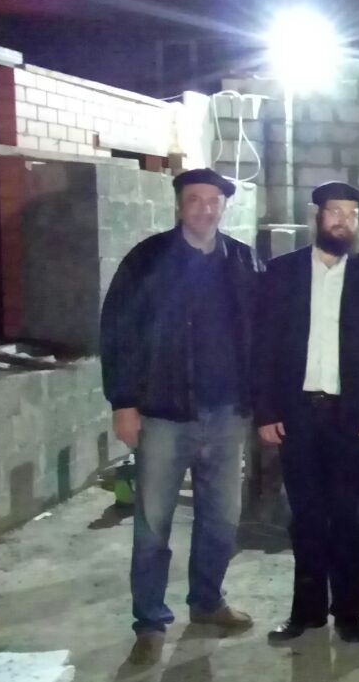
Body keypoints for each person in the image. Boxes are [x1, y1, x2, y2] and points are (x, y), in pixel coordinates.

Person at [100, 168, 259, 667]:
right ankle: (150, 623)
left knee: (221, 519)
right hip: (164, 414)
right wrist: (123, 402)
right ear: (179, 205)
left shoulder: (244, 261)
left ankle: (207, 602)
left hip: (227, 414)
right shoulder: (147, 260)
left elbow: (263, 333)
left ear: (223, 206)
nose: (205, 209)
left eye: (213, 201)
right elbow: (117, 331)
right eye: (195, 199)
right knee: (153, 525)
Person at [253, 181, 359, 644]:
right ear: (317, 216)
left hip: (350, 417)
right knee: (306, 517)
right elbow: (264, 346)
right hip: (298, 414)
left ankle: (348, 611)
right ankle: (307, 611)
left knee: (349, 518)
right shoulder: (282, 272)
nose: (343, 221)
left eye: (351, 214)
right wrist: (266, 410)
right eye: (335, 211)